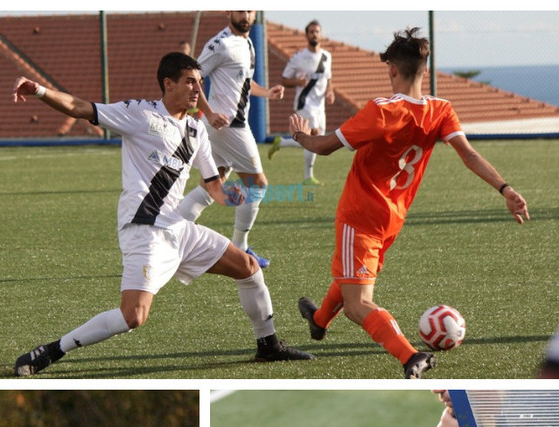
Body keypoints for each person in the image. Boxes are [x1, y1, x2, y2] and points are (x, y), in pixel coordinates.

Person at [11, 51, 312, 376]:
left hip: (179, 228)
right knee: (133, 317)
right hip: (145, 231)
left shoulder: (196, 131)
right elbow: (80, 107)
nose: (197, 90)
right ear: (168, 84)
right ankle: (52, 350)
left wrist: (227, 196)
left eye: (200, 82)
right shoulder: (139, 114)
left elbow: (213, 185)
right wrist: (38, 90)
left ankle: (268, 346)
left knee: (248, 268)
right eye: (190, 82)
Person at [292, 28, 529, 379]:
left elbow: (324, 147)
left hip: (360, 215)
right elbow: (469, 155)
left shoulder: (381, 110)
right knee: (353, 276)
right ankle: (319, 320)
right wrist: (505, 188)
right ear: (425, 70)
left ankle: (409, 356)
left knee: (358, 304)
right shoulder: (441, 110)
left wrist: (300, 135)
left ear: (391, 69)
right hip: (393, 218)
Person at [178, 11, 284, 267]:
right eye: (239, 9)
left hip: (228, 126)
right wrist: (209, 112)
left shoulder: (247, 43)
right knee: (257, 184)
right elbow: (194, 79)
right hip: (228, 127)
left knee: (211, 185)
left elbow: (245, 81)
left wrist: (267, 93)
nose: (245, 14)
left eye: (249, 10)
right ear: (229, 12)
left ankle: (167, 234)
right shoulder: (220, 44)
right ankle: (240, 247)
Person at [269, 19, 335, 185]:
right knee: (315, 136)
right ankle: (308, 177)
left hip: (320, 106)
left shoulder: (327, 56)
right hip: (304, 103)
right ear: (306, 35)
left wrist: (330, 91)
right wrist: (298, 82)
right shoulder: (299, 57)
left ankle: (282, 142)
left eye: (317, 32)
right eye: (311, 32)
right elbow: (284, 79)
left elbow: (328, 78)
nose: (314, 34)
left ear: (321, 34)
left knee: (318, 139)